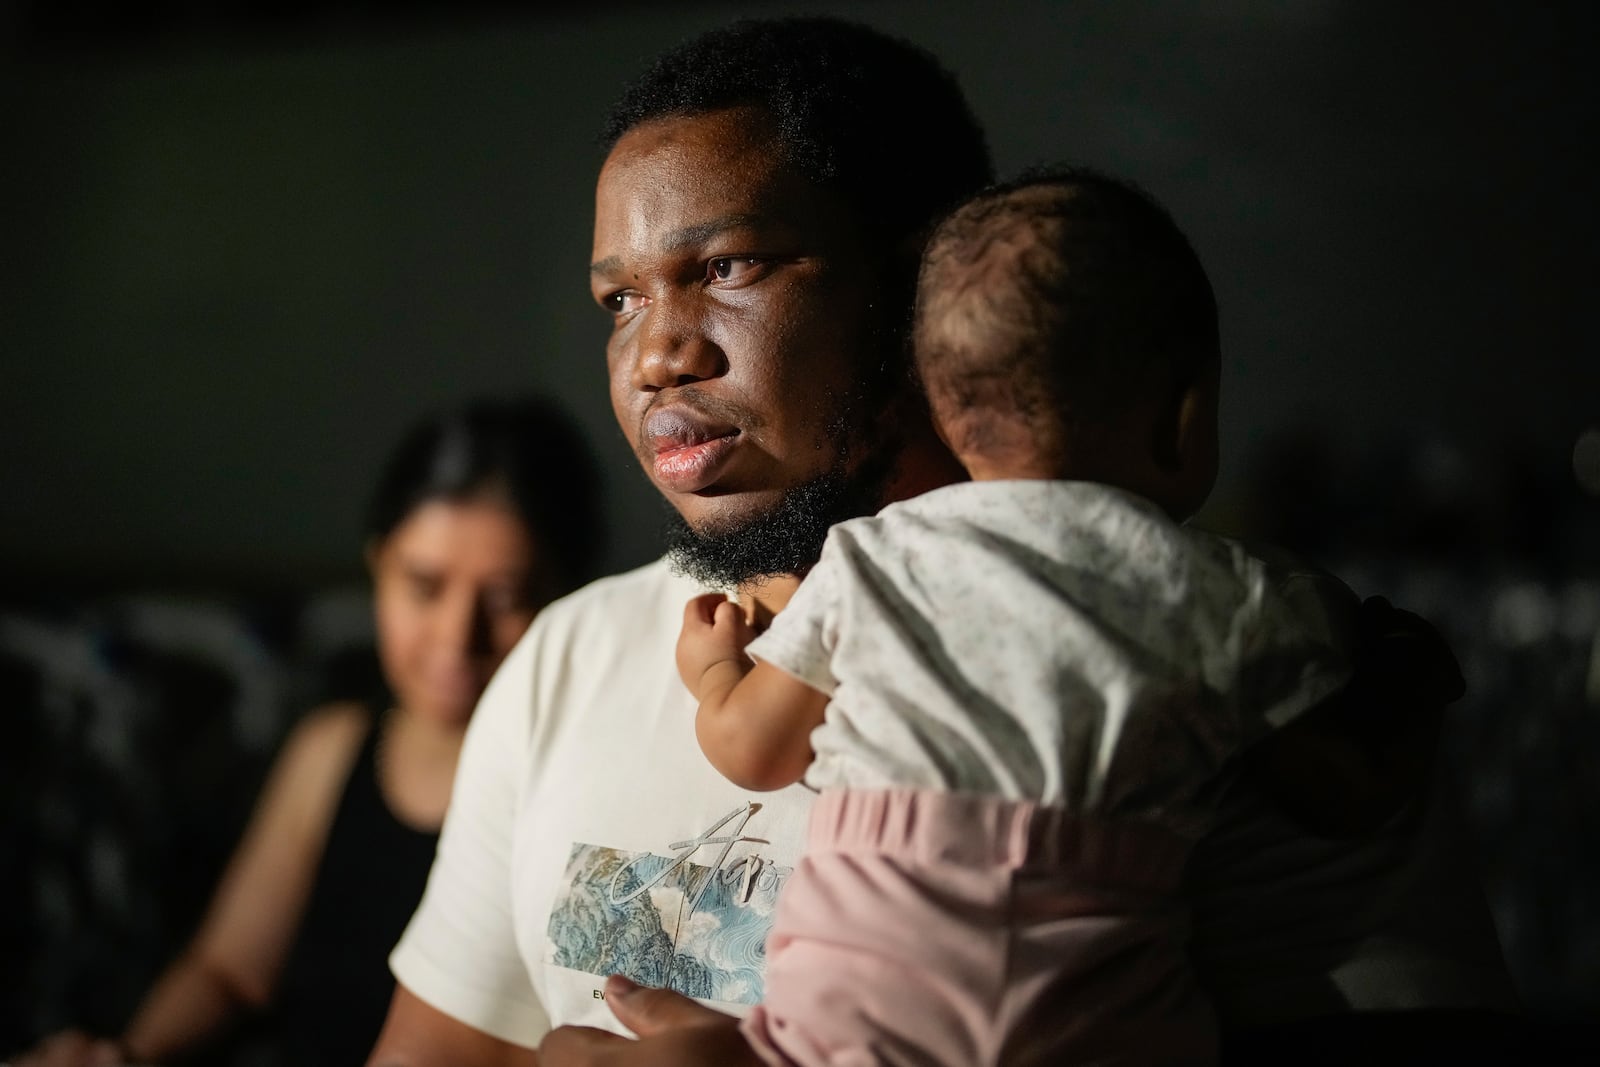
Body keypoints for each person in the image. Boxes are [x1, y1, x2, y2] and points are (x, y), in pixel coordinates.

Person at [368, 16, 1516, 1067]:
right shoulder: (566, 658)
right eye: (619, 299)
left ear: (919, 279)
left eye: (728, 267)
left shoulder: (1203, 643)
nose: (658, 352)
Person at [673, 167, 1359, 1066]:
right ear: (1185, 415)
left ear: (944, 413)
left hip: (865, 979)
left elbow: (753, 751)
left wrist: (717, 670)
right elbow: (1341, 793)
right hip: (1094, 990)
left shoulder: (878, 557)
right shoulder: (1236, 595)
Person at [13, 395, 604, 1067]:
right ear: (378, 566)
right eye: (423, 585)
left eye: (503, 597)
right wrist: (127, 1054)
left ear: (572, 601)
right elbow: (231, 969)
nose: (455, 636)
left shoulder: (582, 784)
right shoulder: (332, 750)